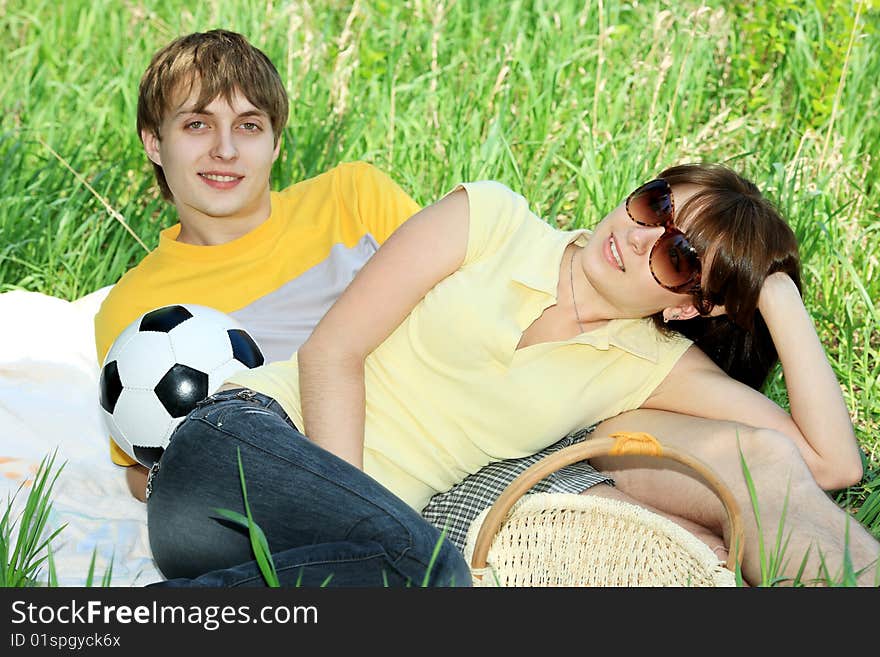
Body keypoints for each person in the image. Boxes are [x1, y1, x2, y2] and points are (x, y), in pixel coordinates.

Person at [177, 164, 877, 587]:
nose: (638, 237)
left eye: (678, 255)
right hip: (245, 447)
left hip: (316, 552)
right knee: (430, 576)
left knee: (420, 580)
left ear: (696, 306)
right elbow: (333, 352)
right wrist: (355, 518)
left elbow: (832, 461)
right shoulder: (491, 218)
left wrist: (775, 290)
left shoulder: (645, 366)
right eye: (655, 203)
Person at [93, 29, 469, 587]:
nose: (225, 149)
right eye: (197, 124)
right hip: (267, 500)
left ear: (275, 143)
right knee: (423, 569)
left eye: (248, 126)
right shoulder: (134, 308)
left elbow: (462, 312)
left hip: (420, 450)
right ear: (154, 141)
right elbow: (145, 467)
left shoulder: (353, 200)